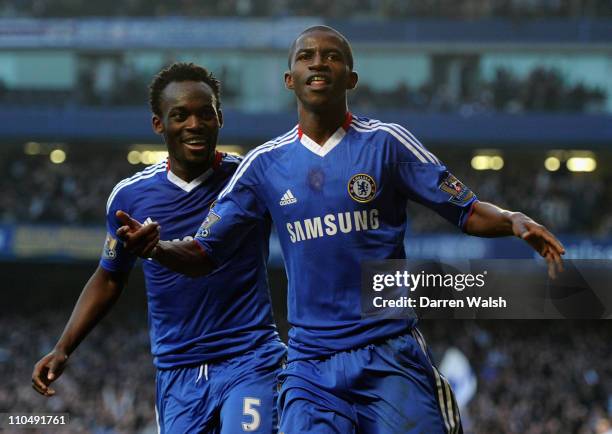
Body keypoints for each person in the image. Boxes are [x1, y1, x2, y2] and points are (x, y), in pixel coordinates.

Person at [117, 27, 565, 433]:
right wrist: (156, 249)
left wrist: (512, 220)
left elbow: (466, 211)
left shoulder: (386, 143)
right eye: (306, 55)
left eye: (331, 56)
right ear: (289, 79)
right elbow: (204, 253)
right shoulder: (263, 166)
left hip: (389, 353)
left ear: (350, 78)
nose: (318, 62)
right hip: (310, 367)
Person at [31, 62, 286, 434]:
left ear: (220, 118)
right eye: (180, 115)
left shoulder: (249, 179)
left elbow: (315, 240)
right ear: (158, 124)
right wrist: (63, 347)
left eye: (205, 114)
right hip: (177, 373)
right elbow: (109, 277)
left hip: (250, 360)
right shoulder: (130, 196)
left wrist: (389, 300)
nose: (194, 125)